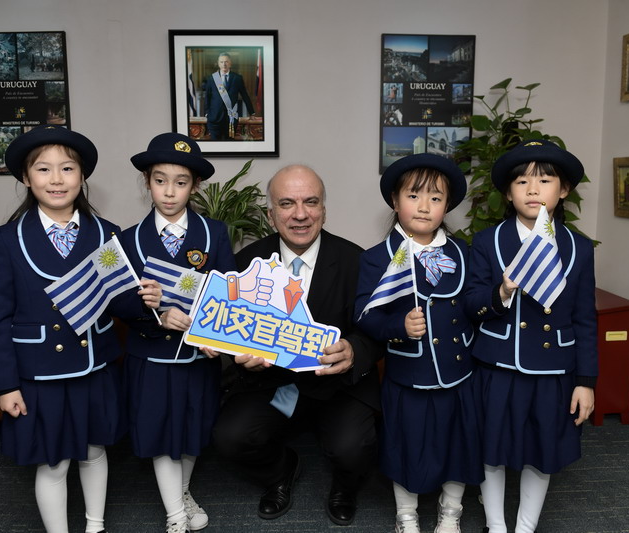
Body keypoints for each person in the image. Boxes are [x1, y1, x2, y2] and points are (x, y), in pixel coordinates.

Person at [0, 125, 161, 533]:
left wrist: (146, 299)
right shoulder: (7, 239)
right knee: (54, 462)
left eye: (67, 168)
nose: (57, 179)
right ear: (26, 177)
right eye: (43, 169)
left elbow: (119, 302)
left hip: (93, 365)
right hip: (39, 372)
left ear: (82, 176)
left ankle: (95, 526)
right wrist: (5, 385)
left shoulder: (106, 233)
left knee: (94, 451)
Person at [212, 165, 382, 526]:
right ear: (271, 215)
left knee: (353, 447)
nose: (300, 214)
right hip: (276, 385)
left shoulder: (358, 261)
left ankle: (345, 487)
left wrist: (354, 349)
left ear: (324, 210)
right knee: (231, 438)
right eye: (287, 203)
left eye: (311, 202)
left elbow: (378, 329)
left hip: (337, 385)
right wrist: (238, 354)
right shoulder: (245, 264)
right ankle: (281, 471)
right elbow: (228, 332)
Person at [464, 140, 597, 533]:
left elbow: (585, 319)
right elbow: (471, 304)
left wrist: (586, 381)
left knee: (542, 451)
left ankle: (525, 527)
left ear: (564, 189)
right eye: (522, 182)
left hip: (553, 370)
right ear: (508, 193)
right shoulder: (488, 242)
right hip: (498, 365)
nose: (533, 189)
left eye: (545, 180)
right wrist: (502, 291)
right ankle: (495, 525)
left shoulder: (580, 248)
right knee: (491, 449)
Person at [354, 154, 483, 533]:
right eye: (414, 196)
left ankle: (451, 512)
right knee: (405, 447)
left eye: (436, 198)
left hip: (458, 375)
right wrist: (399, 325)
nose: (424, 206)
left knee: (458, 446)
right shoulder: (377, 258)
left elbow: (474, 306)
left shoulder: (464, 254)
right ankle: (406, 515)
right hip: (408, 375)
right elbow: (363, 315)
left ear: (447, 206)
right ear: (395, 201)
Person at [118, 132, 236, 533]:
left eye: (181, 182)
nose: (169, 192)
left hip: (197, 357)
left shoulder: (214, 233)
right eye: (160, 180)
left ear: (195, 185)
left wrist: (210, 335)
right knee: (160, 434)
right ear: (147, 182)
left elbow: (227, 294)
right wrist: (154, 313)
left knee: (191, 432)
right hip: (150, 357)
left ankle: (182, 494)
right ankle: (175, 515)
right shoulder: (127, 239)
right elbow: (116, 302)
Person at [203, 52, 255, 140]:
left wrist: (251, 112)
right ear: (218, 63)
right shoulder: (212, 78)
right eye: (221, 62)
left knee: (229, 145)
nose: (224, 64)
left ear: (230, 63)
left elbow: (245, 95)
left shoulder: (237, 78)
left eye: (226, 62)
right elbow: (207, 97)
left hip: (231, 119)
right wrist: (207, 113)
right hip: (214, 119)